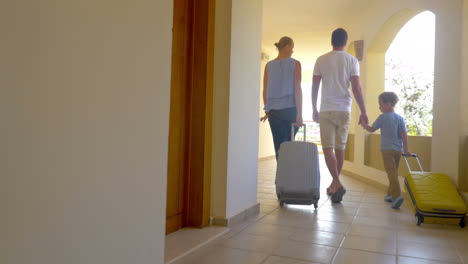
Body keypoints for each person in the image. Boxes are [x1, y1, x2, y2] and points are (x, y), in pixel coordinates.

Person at [312, 28, 368, 203]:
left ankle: (336, 183)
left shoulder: (321, 60)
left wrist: (313, 108)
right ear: (345, 41)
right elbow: (357, 88)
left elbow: (315, 87)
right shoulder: (352, 60)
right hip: (344, 109)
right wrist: (364, 111)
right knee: (340, 148)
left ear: (332, 41)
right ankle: (336, 183)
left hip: (326, 109)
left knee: (328, 149)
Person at [361, 92, 411, 209]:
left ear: (388, 104)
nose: (379, 107)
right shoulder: (400, 118)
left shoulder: (382, 117)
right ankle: (389, 194)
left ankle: (397, 196)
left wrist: (364, 124)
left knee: (391, 173)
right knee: (393, 172)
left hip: (387, 150)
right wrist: (406, 149)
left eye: (380, 104)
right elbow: (404, 135)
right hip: (398, 150)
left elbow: (371, 129)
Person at [260, 36, 303, 160]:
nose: (292, 51)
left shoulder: (268, 65)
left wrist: (267, 111)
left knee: (278, 147)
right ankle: (287, 177)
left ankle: (281, 178)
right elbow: (297, 89)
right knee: (289, 146)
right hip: (290, 110)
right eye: (292, 48)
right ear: (287, 47)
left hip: (274, 113)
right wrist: (299, 114)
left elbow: (265, 90)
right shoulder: (295, 63)